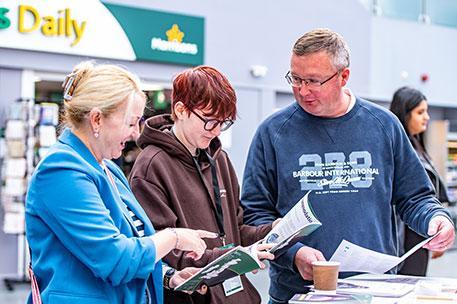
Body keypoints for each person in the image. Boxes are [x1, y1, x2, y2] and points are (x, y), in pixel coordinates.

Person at [240, 28, 455, 303]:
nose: (302, 90)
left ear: (344, 76)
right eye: (296, 78)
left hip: (376, 292)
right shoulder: (273, 132)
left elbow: (415, 196)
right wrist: (293, 255)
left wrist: (435, 219)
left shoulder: (384, 126)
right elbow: (254, 214)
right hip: (295, 294)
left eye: (314, 81)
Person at [25, 61, 218, 304]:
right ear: (96, 119)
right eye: (130, 122)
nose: (136, 132)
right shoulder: (61, 171)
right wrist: (174, 237)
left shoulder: (108, 169)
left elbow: (133, 242)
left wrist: (168, 276)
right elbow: (114, 259)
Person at [129, 65, 275, 304]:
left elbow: (235, 229)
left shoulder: (219, 159)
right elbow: (161, 250)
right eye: (209, 120)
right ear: (181, 110)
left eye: (223, 122)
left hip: (239, 296)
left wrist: (273, 231)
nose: (216, 130)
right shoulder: (151, 167)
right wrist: (235, 256)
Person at [390, 86, 449, 275]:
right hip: (404, 238)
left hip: (421, 232)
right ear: (404, 114)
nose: (427, 117)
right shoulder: (398, 149)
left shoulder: (417, 145)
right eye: (420, 112)